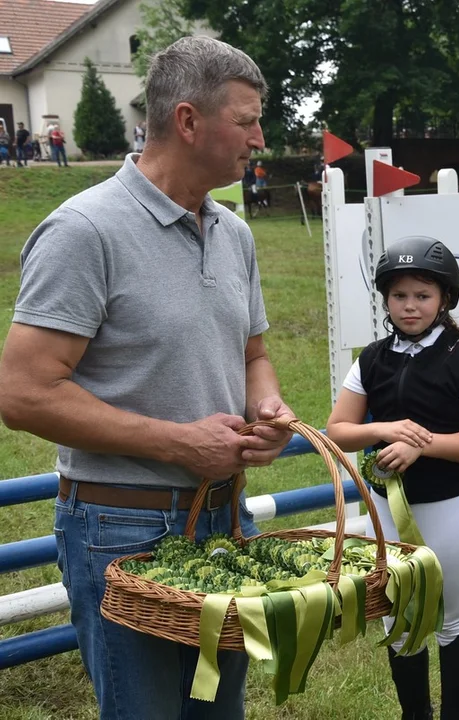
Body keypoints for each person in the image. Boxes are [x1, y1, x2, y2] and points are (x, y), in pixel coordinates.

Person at [0, 36, 294, 720]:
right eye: (247, 120)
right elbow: (21, 393)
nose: (260, 137)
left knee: (217, 712)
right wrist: (175, 444)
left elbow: (251, 354)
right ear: (188, 121)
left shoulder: (232, 232)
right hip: (120, 528)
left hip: (223, 516)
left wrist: (268, 408)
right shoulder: (85, 231)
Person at [326, 236, 459, 720]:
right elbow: (338, 431)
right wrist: (384, 429)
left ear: (444, 299)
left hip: (449, 506)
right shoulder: (371, 358)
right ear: (385, 299)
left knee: (452, 618)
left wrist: (420, 444)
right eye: (399, 296)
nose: (410, 306)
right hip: (386, 508)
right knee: (401, 620)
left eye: (422, 296)